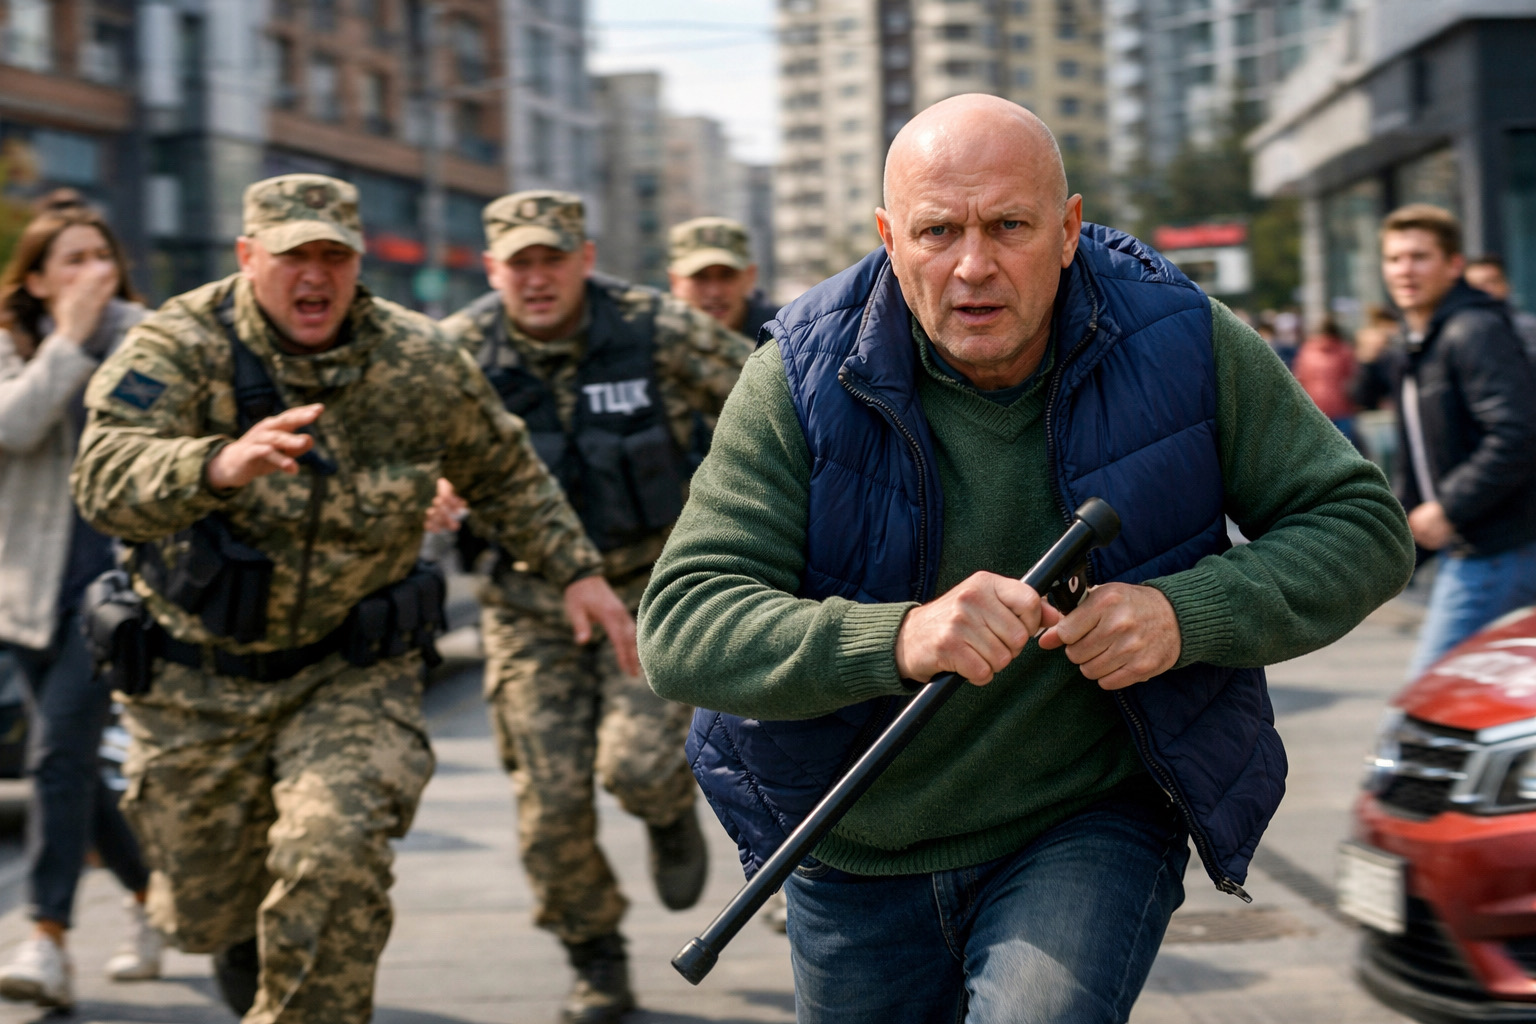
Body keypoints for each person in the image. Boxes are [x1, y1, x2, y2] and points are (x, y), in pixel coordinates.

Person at [639, 94, 1414, 1022]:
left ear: (1069, 228)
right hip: (853, 845)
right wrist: (902, 637)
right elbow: (682, 626)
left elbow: (1362, 527)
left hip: (1087, 819)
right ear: (889, 238)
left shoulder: (1180, 339)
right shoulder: (799, 377)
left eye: (1009, 225)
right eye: (937, 231)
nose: (974, 265)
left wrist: (1184, 615)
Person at [70, 174, 633, 1024]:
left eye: (333, 255)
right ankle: (244, 944)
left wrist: (577, 571)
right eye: (293, 255)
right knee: (206, 911)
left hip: (349, 671)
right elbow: (102, 474)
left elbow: (505, 471)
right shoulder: (179, 343)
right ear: (248, 256)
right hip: (196, 683)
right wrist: (214, 464)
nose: (316, 275)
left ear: (358, 261)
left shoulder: (416, 358)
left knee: (331, 854)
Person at [437, 191, 751, 1024]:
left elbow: (774, 399)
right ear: (492, 269)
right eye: (520, 264)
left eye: (553, 259)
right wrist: (424, 484)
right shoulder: (456, 352)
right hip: (525, 601)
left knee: (638, 765)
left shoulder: (655, 329)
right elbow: (388, 442)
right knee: (548, 808)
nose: (537, 279)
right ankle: (595, 958)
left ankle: (666, 810)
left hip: (646, 589)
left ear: (585, 259)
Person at [0, 207, 160, 1009]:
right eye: (71, 259)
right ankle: (152, 896)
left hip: (115, 593)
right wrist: (66, 338)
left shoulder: (146, 339)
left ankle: (47, 939)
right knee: (77, 774)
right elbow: (15, 427)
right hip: (27, 591)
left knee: (59, 754)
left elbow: (153, 427)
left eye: (102, 255)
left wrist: (105, 334)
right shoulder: (11, 346)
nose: (92, 270)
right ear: (35, 279)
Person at [1379, 206, 1536, 679]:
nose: (1405, 270)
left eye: (1420, 257)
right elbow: (1420, 460)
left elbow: (1516, 433)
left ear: (1453, 265)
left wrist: (1448, 507)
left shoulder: (1473, 330)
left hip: (1495, 547)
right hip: (1472, 543)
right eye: (1394, 259)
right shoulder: (1417, 341)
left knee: (1425, 703)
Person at [666, 216, 778, 343]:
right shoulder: (656, 340)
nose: (715, 292)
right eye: (699, 277)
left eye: (727, 275)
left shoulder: (784, 338)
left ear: (750, 277)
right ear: (674, 281)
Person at [1292, 317, 1363, 451]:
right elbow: (1354, 378)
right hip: (1341, 407)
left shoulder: (1306, 351)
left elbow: (1299, 379)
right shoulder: (1344, 350)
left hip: (1314, 407)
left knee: (1319, 450)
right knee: (1346, 448)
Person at [1464, 254, 1536, 363]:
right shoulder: (1455, 330)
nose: (1485, 289)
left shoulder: (1528, 327)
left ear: (1506, 284)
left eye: (1492, 282)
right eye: (1475, 285)